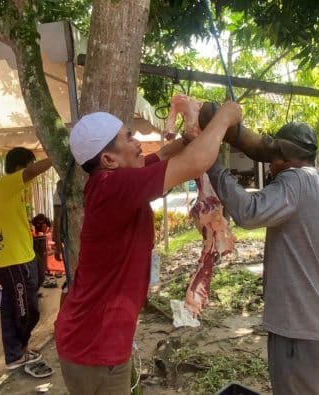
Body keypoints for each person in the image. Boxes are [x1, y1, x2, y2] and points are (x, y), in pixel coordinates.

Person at [55, 103, 242, 394]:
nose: (139, 144)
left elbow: (160, 157)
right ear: (108, 159)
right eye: (129, 138)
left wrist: (185, 139)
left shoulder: (110, 182)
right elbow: (195, 162)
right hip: (95, 348)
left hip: (92, 340)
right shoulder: (112, 187)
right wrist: (226, 115)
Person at [206, 122, 319, 395]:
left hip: (299, 330)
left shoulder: (295, 179)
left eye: (273, 160)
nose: (271, 167)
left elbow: (249, 212)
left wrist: (212, 165)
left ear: (286, 157)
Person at [0, 147, 53, 377]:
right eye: (28, 165)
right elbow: (33, 171)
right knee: (28, 312)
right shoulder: (6, 183)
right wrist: (56, 155)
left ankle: (15, 354)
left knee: (10, 309)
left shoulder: (13, 190)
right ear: (18, 167)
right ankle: (18, 352)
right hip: (13, 261)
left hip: (20, 257)